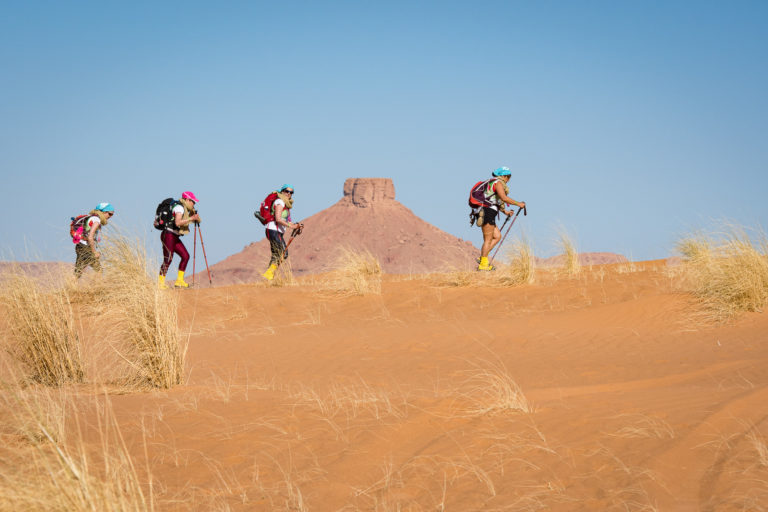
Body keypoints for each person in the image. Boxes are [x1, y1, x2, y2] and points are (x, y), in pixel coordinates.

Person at [477, 167, 526, 271]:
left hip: (488, 211)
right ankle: (483, 265)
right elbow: (503, 198)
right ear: (504, 176)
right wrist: (519, 204)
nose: (508, 180)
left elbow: (495, 200)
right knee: (488, 240)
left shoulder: (491, 183)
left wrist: (505, 212)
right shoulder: (498, 183)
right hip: (487, 212)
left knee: (497, 236)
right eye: (508, 177)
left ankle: (482, 258)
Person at [159, 191, 201, 289]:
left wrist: (194, 217)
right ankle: (160, 283)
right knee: (168, 259)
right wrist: (191, 219)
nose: (193, 204)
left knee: (185, 256)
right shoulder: (180, 208)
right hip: (169, 234)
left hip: (174, 236)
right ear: (187, 200)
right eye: (193, 201)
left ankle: (179, 281)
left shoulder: (185, 209)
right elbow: (178, 223)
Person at [262, 184, 300, 281]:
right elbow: (278, 219)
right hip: (274, 230)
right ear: (282, 191)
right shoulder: (280, 202)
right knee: (283, 253)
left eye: (291, 192)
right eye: (287, 191)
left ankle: (268, 277)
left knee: (277, 254)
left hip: (276, 231)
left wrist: (296, 226)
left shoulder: (286, 205)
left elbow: (287, 220)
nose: (288, 193)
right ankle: (268, 274)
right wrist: (291, 226)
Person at [74, 202, 114, 278]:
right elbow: (90, 237)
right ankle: (99, 287)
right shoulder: (96, 220)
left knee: (78, 271)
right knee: (99, 270)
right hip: (86, 247)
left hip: (80, 246)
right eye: (110, 214)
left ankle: (70, 287)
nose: (110, 216)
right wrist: (94, 252)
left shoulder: (91, 217)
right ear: (104, 212)